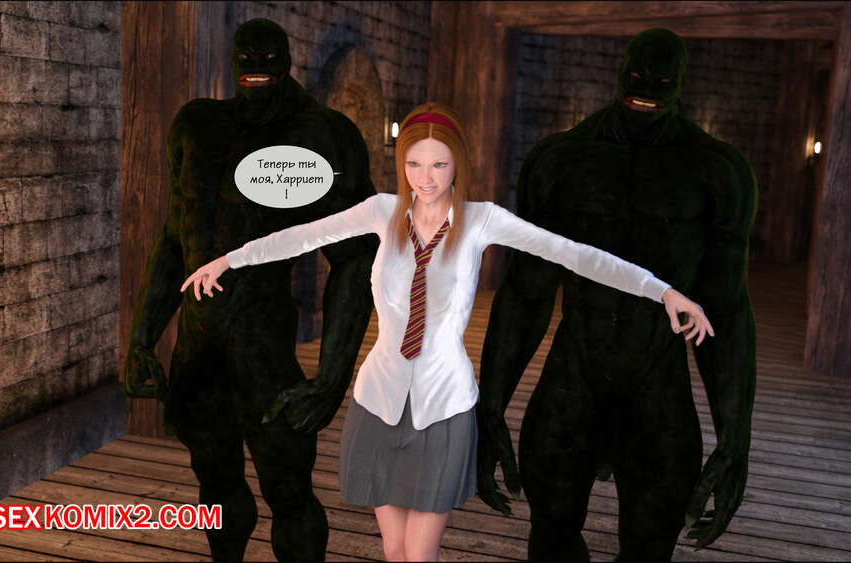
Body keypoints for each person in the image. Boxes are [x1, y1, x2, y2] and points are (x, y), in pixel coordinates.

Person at [182, 102, 714, 562]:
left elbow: (573, 254)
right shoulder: (382, 212)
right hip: (379, 400)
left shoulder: (481, 220)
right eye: (414, 163)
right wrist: (229, 260)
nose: (426, 176)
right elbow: (301, 235)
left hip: (444, 405)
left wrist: (661, 290)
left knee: (420, 555)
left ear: (458, 161)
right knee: (394, 551)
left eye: (438, 163)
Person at [477, 28, 756, 561]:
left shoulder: (715, 171)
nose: (647, 88)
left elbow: (725, 312)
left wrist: (735, 437)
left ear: (679, 83)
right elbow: (527, 293)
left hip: (658, 379)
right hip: (573, 372)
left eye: (661, 80)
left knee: (649, 547)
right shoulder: (560, 160)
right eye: (639, 76)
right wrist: (489, 406)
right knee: (551, 538)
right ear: (620, 73)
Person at [122, 18, 377, 562]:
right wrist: (142, 338)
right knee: (215, 486)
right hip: (199, 350)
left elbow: (356, 260)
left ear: (284, 62)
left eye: (268, 59)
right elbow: (176, 237)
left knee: (288, 492)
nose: (256, 68)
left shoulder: (320, 134)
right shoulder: (196, 126)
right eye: (248, 59)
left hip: (266, 354)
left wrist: (332, 378)